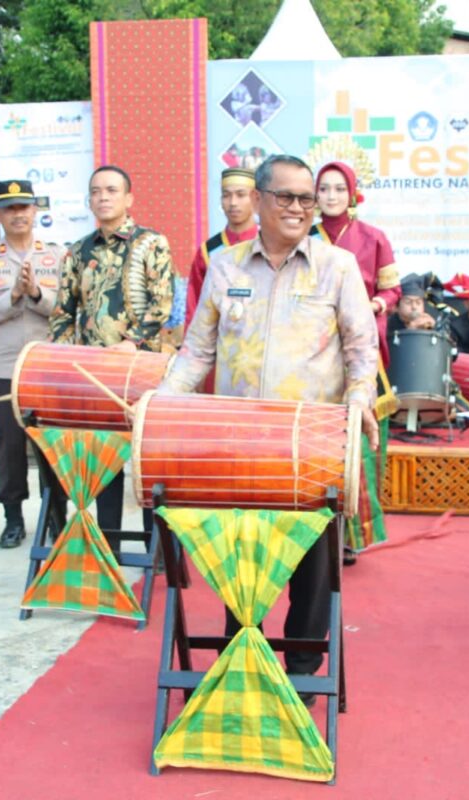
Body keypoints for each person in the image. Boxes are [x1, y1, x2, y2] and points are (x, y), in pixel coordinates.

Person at [161, 154, 379, 697]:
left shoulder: (338, 267)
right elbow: (195, 353)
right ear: (258, 201)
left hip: (311, 441)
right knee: (242, 550)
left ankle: (304, 669)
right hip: (238, 442)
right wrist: (161, 405)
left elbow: (360, 348)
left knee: (310, 558)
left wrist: (360, 403)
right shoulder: (226, 266)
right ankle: (241, 653)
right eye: (286, 197)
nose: (299, 208)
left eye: (307, 199)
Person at [51, 165, 173, 533]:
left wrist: (130, 343)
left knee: (150, 461)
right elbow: (63, 312)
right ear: (89, 200)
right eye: (96, 191)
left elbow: (161, 304)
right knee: (103, 462)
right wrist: (61, 359)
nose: (103, 197)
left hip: (142, 369)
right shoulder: (77, 252)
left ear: (128, 198)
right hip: (95, 374)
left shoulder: (152, 244)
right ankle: (109, 546)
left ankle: (160, 552)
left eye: (111, 190)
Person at [0, 180, 65, 549]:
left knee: (51, 447)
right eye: (10, 209)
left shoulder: (56, 257)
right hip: (6, 369)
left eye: (25, 207)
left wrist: (37, 293)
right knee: (8, 447)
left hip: (48, 367)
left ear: (35, 212)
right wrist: (11, 297)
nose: (18, 215)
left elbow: (65, 309)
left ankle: (57, 518)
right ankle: (12, 520)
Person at [313, 160, 400, 557]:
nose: (330, 196)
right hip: (311, 351)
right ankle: (316, 527)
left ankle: (354, 535)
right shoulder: (305, 236)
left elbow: (393, 290)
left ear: (352, 194)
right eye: (324, 189)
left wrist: (377, 304)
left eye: (338, 189)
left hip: (359, 350)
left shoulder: (373, 237)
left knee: (362, 442)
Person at [185, 168, 259, 324]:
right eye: (226, 195)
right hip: (218, 342)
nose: (232, 203)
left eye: (240, 195)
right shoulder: (209, 251)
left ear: (256, 198)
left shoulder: (271, 244)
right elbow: (195, 307)